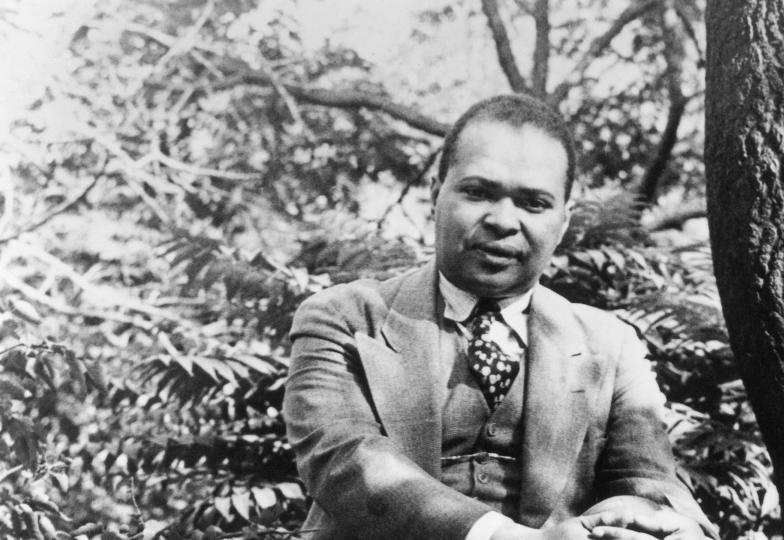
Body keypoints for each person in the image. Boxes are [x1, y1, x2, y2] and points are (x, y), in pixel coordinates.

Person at [282, 94, 718, 540]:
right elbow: (342, 459)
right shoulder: (345, 319)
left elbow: (649, 481)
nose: (503, 221)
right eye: (478, 192)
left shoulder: (610, 344)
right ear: (436, 195)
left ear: (563, 221)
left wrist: (646, 521)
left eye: (533, 203)